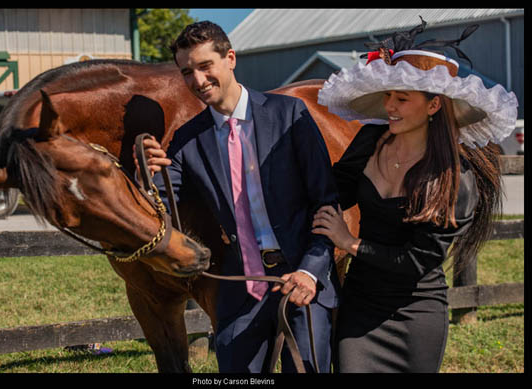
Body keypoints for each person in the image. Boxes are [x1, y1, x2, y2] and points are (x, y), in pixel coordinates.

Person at [314, 19, 518, 373]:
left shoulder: (456, 179)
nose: (389, 105)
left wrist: (348, 242)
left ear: (434, 106)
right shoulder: (369, 142)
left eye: (402, 98)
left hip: (415, 312)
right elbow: (336, 189)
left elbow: (415, 261)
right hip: (360, 305)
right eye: (388, 95)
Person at [137, 21, 341, 373]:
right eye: (187, 72)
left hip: (302, 279)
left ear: (230, 58)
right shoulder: (187, 139)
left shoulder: (289, 115)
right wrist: (145, 175)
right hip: (239, 289)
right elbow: (159, 207)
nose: (197, 81)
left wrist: (311, 271)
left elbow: (326, 203)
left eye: (205, 66)